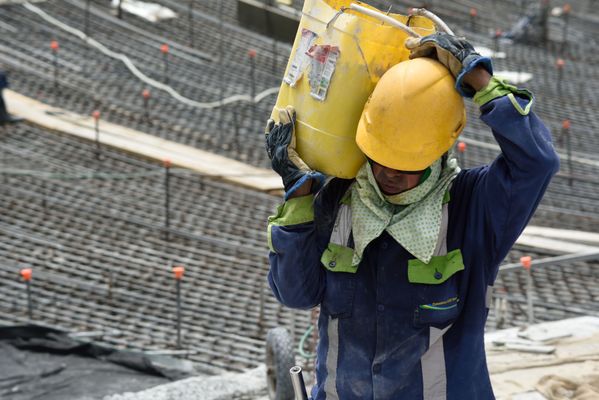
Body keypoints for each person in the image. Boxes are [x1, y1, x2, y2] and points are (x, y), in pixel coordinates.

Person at [265, 33, 559, 399]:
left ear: (437, 152)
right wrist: (299, 201)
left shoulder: (472, 208)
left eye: (407, 166)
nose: (390, 174)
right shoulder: (339, 201)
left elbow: (537, 162)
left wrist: (482, 84)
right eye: (382, 160)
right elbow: (295, 293)